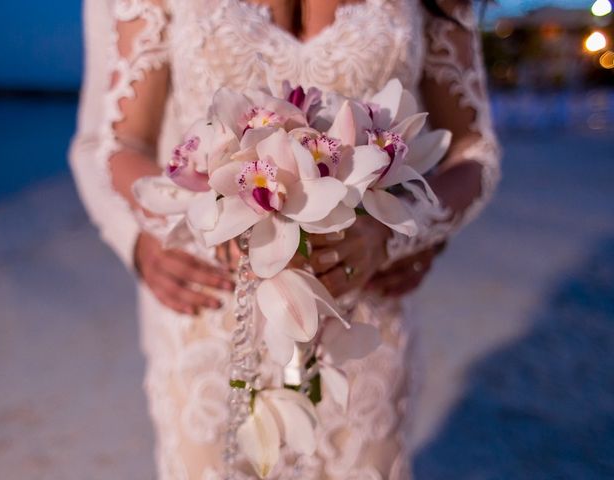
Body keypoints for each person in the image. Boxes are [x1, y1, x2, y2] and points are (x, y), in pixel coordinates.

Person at [69, 0, 501, 478]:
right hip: (212, 315)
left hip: (362, 316)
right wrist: (157, 237)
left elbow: (472, 148)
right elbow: (120, 143)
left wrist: (398, 233)